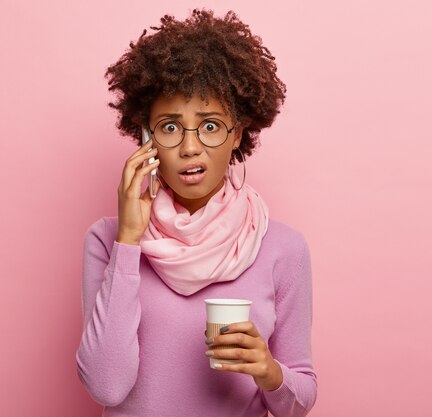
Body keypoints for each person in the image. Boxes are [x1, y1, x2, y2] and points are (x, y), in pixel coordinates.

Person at [75, 9, 317, 417]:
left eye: (209, 125)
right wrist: (130, 241)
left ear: (237, 132)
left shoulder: (283, 249)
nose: (190, 147)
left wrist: (269, 372)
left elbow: (300, 401)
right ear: (146, 138)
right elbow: (106, 386)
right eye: (170, 127)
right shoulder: (107, 240)